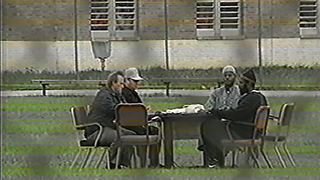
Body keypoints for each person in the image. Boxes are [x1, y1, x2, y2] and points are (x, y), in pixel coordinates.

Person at [199, 69, 267, 168]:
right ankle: (214, 156)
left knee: (207, 126)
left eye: (241, 83)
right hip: (252, 131)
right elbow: (239, 113)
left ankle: (214, 158)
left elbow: (236, 114)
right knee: (215, 126)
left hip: (243, 132)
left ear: (249, 84)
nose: (239, 86)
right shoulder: (260, 97)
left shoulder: (250, 99)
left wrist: (217, 112)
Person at [85, 71, 135, 169]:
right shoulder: (104, 95)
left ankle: (123, 164)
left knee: (132, 135)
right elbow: (116, 110)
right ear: (113, 83)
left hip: (108, 127)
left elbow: (125, 108)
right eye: (121, 83)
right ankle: (113, 165)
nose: (123, 86)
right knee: (122, 137)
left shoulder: (117, 95)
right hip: (97, 130)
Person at [122, 67, 161, 167]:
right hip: (130, 125)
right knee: (154, 131)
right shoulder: (125, 94)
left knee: (154, 130)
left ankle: (152, 161)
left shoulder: (132, 93)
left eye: (137, 81)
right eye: (134, 81)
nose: (137, 84)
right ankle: (151, 162)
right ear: (126, 80)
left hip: (135, 123)